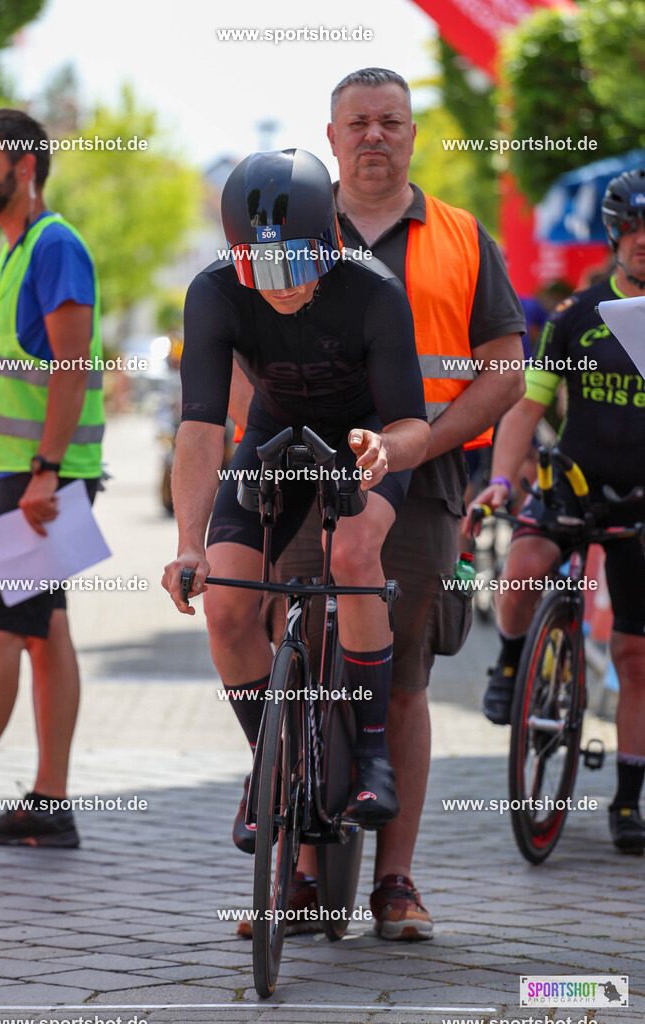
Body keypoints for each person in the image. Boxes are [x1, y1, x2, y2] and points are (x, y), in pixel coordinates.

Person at [230, 68, 527, 940]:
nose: (373, 137)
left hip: (421, 478)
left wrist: (415, 445)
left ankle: (394, 881)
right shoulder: (280, 222)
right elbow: (239, 357)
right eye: (356, 123)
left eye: (390, 122)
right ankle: (303, 875)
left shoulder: (463, 238)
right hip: (298, 470)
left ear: (411, 134)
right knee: (303, 660)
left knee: (400, 681)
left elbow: (505, 368)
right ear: (329, 139)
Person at [162, 146, 430, 848]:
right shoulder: (214, 292)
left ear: (333, 242)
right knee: (224, 605)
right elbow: (198, 428)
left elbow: (409, 421)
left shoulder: (374, 290)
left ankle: (370, 752)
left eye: (296, 264)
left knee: (352, 548)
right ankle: (271, 764)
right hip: (276, 435)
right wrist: (189, 541)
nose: (278, 286)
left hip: (367, 436)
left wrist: (386, 451)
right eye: (259, 268)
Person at [472, 167, 645, 854]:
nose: (643, 243)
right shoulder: (576, 317)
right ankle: (511, 663)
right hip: (572, 479)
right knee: (522, 567)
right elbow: (528, 405)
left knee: (634, 657)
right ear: (613, 233)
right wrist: (497, 480)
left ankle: (628, 803)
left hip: (638, 500)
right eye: (632, 229)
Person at [0, 109, 105, 855]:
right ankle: (50, 805)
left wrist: (45, 474)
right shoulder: (11, 257)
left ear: (24, 167)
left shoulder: (55, 248)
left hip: (40, 479)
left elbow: (74, 368)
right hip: (27, 474)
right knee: (43, 633)